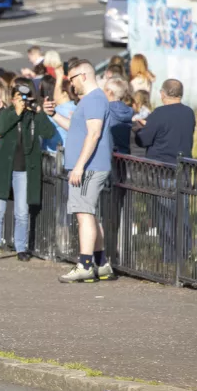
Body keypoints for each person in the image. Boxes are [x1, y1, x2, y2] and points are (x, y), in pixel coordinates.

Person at [45, 60, 115, 283]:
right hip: (89, 166)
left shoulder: (94, 99)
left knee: (83, 215)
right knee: (89, 215)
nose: (71, 85)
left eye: (72, 79)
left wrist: (79, 166)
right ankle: (101, 263)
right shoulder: (90, 101)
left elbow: (93, 134)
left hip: (89, 167)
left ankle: (85, 265)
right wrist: (54, 114)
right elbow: (76, 129)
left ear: (83, 76)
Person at [0, 78, 56, 262]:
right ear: (12, 98)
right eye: (17, 97)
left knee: (22, 212)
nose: (21, 101)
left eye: (25, 97)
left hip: (24, 170)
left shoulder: (33, 116)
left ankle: (21, 248)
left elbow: (48, 133)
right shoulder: (6, 113)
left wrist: (37, 111)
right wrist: (15, 112)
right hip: (3, 167)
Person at [135, 79, 196, 164]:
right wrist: (150, 125)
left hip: (161, 168)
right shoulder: (189, 112)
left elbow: (143, 140)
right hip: (183, 167)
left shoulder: (159, 113)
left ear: (163, 94)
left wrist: (138, 129)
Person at [39, 75, 76, 152]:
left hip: (56, 154)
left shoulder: (60, 110)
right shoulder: (76, 107)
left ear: (64, 93)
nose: (54, 93)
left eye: (57, 90)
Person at [104, 77, 135, 155]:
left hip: (109, 153)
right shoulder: (128, 110)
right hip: (124, 154)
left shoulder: (105, 109)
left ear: (109, 92)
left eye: (104, 90)